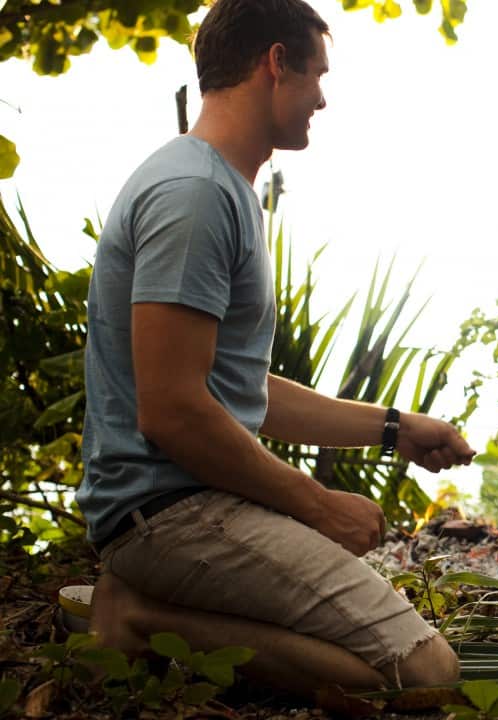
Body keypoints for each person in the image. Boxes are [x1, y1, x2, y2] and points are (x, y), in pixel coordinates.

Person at [78, 0, 475, 696]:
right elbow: (171, 411)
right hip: (174, 515)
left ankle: (155, 613)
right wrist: (317, 507)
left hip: (188, 505)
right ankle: (135, 616)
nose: (323, 96)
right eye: (317, 74)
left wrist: (394, 428)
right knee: (426, 675)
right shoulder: (194, 196)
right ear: (275, 62)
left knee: (399, 660)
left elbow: (238, 390)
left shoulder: (217, 188)